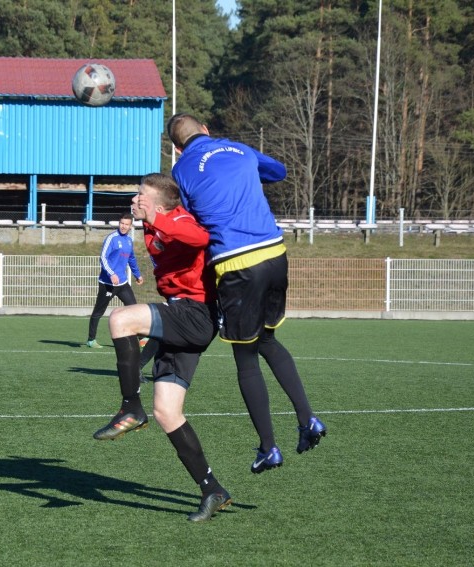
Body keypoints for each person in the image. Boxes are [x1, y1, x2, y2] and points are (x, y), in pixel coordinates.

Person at [167, 113, 327, 475]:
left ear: (177, 149)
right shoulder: (239, 148)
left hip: (237, 262)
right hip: (275, 251)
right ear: (206, 130)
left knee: (245, 357)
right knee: (268, 339)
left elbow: (193, 225)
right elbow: (279, 172)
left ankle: (269, 447)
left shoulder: (182, 171)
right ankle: (308, 420)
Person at [93, 173, 230, 522]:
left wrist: (155, 217)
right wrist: (149, 221)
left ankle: (130, 408)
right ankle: (212, 489)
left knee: (121, 319)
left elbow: (199, 237)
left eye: (141, 194)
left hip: (194, 314)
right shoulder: (150, 226)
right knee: (168, 413)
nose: (135, 199)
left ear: (159, 203)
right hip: (181, 316)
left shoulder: (179, 218)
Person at [85, 213, 143, 348]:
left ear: (130, 226)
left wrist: (137, 275)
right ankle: (91, 339)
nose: (124, 226)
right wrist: (111, 274)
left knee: (133, 308)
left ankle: (141, 338)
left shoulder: (129, 241)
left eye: (126, 224)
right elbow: (103, 258)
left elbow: (131, 259)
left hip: (122, 283)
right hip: (108, 284)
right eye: (122, 223)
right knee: (99, 311)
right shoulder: (111, 238)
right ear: (119, 223)